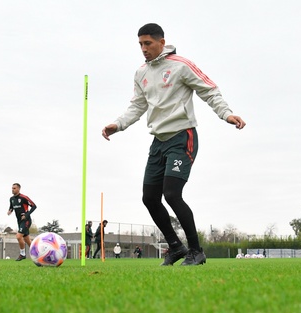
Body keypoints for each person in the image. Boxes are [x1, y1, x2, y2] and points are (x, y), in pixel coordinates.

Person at [102, 23, 246, 266]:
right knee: (149, 197)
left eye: (148, 43)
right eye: (140, 44)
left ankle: (196, 251)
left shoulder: (181, 65)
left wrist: (226, 114)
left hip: (182, 136)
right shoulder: (141, 73)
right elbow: (138, 105)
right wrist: (118, 124)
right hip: (158, 142)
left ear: (161, 42)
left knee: (171, 194)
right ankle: (176, 247)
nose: (143, 49)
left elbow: (210, 91)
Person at [7, 183, 37, 261]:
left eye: (14, 188)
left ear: (18, 189)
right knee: (27, 240)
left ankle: (22, 254)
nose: (12, 189)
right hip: (19, 221)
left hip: (26, 220)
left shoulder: (24, 197)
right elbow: (11, 207)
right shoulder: (11, 199)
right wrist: (10, 211)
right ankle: (37, 254)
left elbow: (34, 206)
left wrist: (27, 214)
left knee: (18, 236)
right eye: (12, 188)